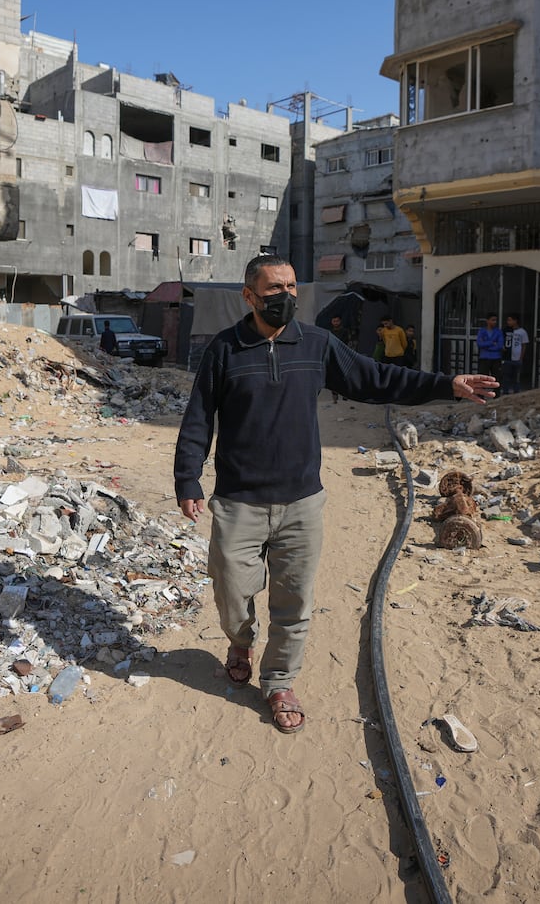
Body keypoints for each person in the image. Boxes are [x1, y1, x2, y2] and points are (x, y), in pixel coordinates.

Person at [175, 255, 498, 735]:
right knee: (231, 592)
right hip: (238, 501)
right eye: (273, 290)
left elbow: (378, 379)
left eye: (290, 287)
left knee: (294, 599)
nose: (284, 296)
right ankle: (240, 642)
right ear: (249, 296)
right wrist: (188, 478)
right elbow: (199, 416)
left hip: (302, 502)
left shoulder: (317, 345)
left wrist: (445, 384)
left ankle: (279, 681)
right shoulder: (225, 350)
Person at [503, 314, 529, 394]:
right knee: (506, 377)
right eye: (507, 320)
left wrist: (521, 357)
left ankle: (516, 392)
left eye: (510, 320)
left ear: (515, 321)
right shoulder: (506, 331)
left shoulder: (522, 332)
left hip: (517, 358)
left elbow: (524, 345)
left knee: (516, 378)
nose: (508, 322)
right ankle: (505, 392)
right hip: (507, 357)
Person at [475, 314, 504, 379]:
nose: (495, 322)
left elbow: (500, 345)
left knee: (497, 377)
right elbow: (479, 344)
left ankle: (496, 389)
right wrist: (492, 343)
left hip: (496, 357)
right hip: (484, 357)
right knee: (482, 377)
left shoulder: (498, 332)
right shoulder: (482, 331)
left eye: (496, 320)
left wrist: (486, 345)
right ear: (487, 321)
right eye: (493, 320)